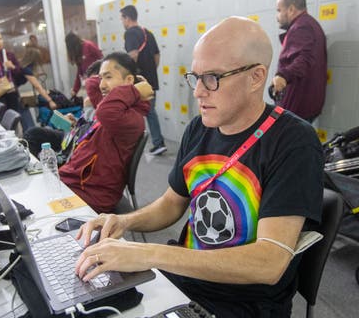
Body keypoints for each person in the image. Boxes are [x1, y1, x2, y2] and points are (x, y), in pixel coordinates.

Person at [74, 17, 323, 317]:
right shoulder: (199, 128)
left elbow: (269, 262)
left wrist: (148, 253)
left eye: (212, 78)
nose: (198, 92)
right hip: (182, 281)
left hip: (238, 303)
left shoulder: (293, 141)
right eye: (195, 77)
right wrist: (125, 222)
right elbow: (171, 203)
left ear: (256, 77)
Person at [59, 52, 152, 213]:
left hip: (88, 194)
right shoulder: (119, 108)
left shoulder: (131, 118)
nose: (101, 84)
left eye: (108, 77)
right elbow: (91, 84)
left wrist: (134, 91)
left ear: (129, 81)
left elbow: (105, 111)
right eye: (101, 78)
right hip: (74, 182)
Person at [120, 5, 167, 155]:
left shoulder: (130, 34)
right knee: (150, 111)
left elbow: (133, 55)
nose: (122, 21)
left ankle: (134, 145)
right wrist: (150, 72)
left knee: (135, 112)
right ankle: (158, 142)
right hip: (151, 80)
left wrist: (128, 77)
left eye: (122, 18)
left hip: (138, 81)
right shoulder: (148, 33)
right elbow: (157, 57)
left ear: (127, 18)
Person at [272, 0, 327, 123]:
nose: (277, 17)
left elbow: (304, 59)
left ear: (291, 9)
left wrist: (283, 76)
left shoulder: (301, 27)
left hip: (297, 105)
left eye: (279, 10)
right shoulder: (309, 24)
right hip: (305, 104)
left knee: (286, 141)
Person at [0, 31, 35, 130]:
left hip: (11, 91)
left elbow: (20, 72)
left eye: (0, 39)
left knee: (15, 117)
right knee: (2, 119)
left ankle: (19, 137)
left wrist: (12, 67)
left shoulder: (9, 55)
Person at [65, 32, 103, 99]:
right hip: (91, 83)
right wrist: (75, 90)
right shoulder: (79, 52)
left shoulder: (88, 46)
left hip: (99, 81)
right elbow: (79, 72)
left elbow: (101, 60)